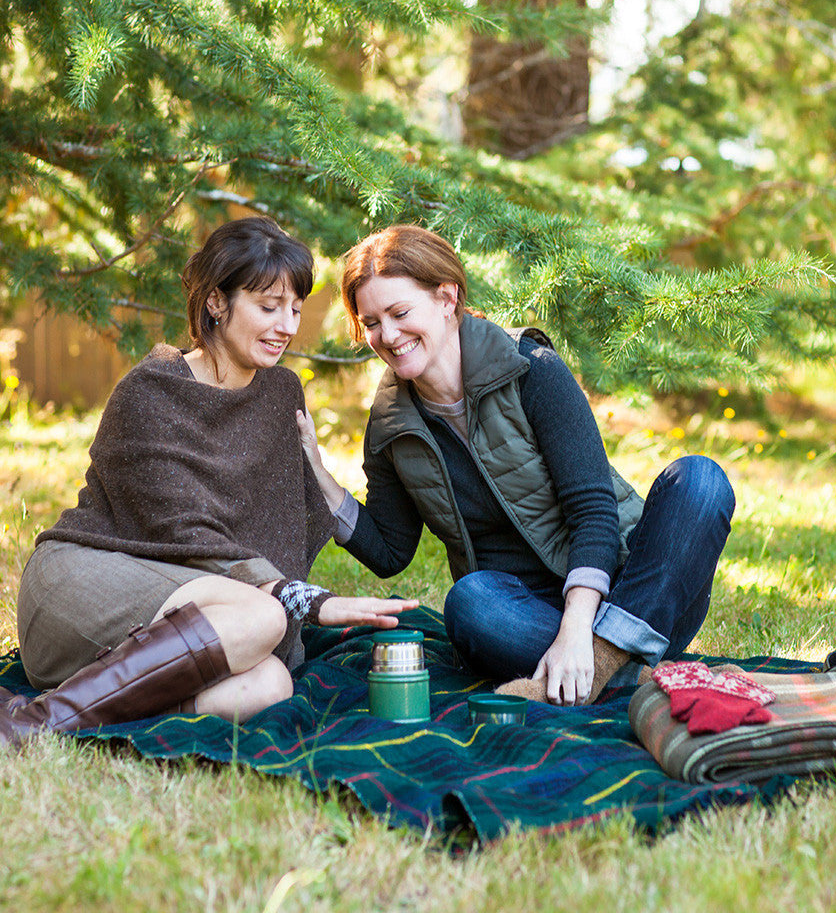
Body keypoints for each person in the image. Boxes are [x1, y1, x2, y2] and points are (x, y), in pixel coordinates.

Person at [1, 216, 416, 747]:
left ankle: (80, 712)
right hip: (88, 582)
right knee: (264, 616)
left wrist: (316, 469)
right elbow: (180, 530)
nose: (287, 326)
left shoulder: (281, 393)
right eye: (268, 307)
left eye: (295, 309)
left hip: (201, 606)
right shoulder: (150, 392)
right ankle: (30, 726)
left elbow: (293, 512)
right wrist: (304, 600)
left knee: (271, 683)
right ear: (217, 302)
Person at [298, 224, 735, 706]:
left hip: (632, 593)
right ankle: (631, 670)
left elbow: (593, 511)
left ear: (447, 298)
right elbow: (389, 552)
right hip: (522, 618)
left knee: (701, 481)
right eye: (372, 322)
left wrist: (578, 630)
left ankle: (599, 664)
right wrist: (320, 478)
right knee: (469, 603)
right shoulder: (391, 423)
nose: (388, 335)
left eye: (400, 313)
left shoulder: (529, 367)